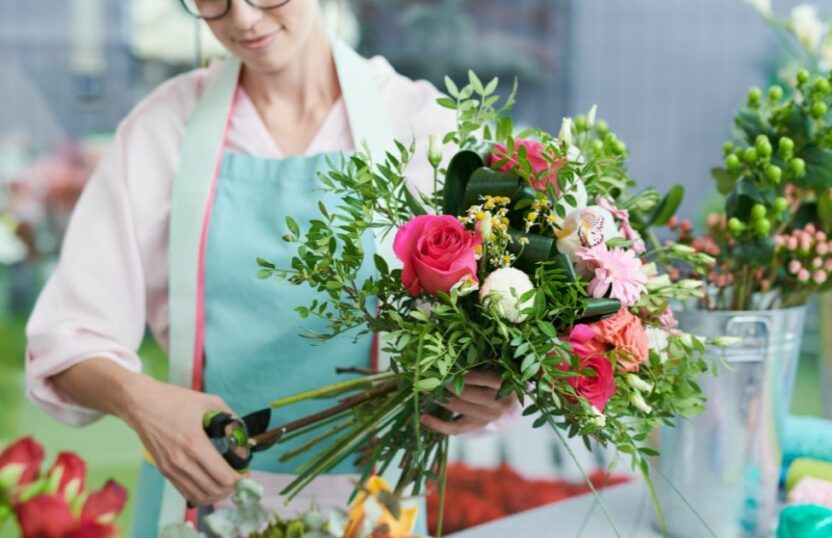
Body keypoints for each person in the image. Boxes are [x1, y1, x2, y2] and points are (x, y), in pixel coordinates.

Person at [24, 0, 517, 534]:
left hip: (375, 515)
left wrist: (491, 389)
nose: (242, 19)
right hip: (199, 506)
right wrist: (140, 401)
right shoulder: (163, 129)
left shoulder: (420, 125)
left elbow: (500, 317)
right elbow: (65, 340)